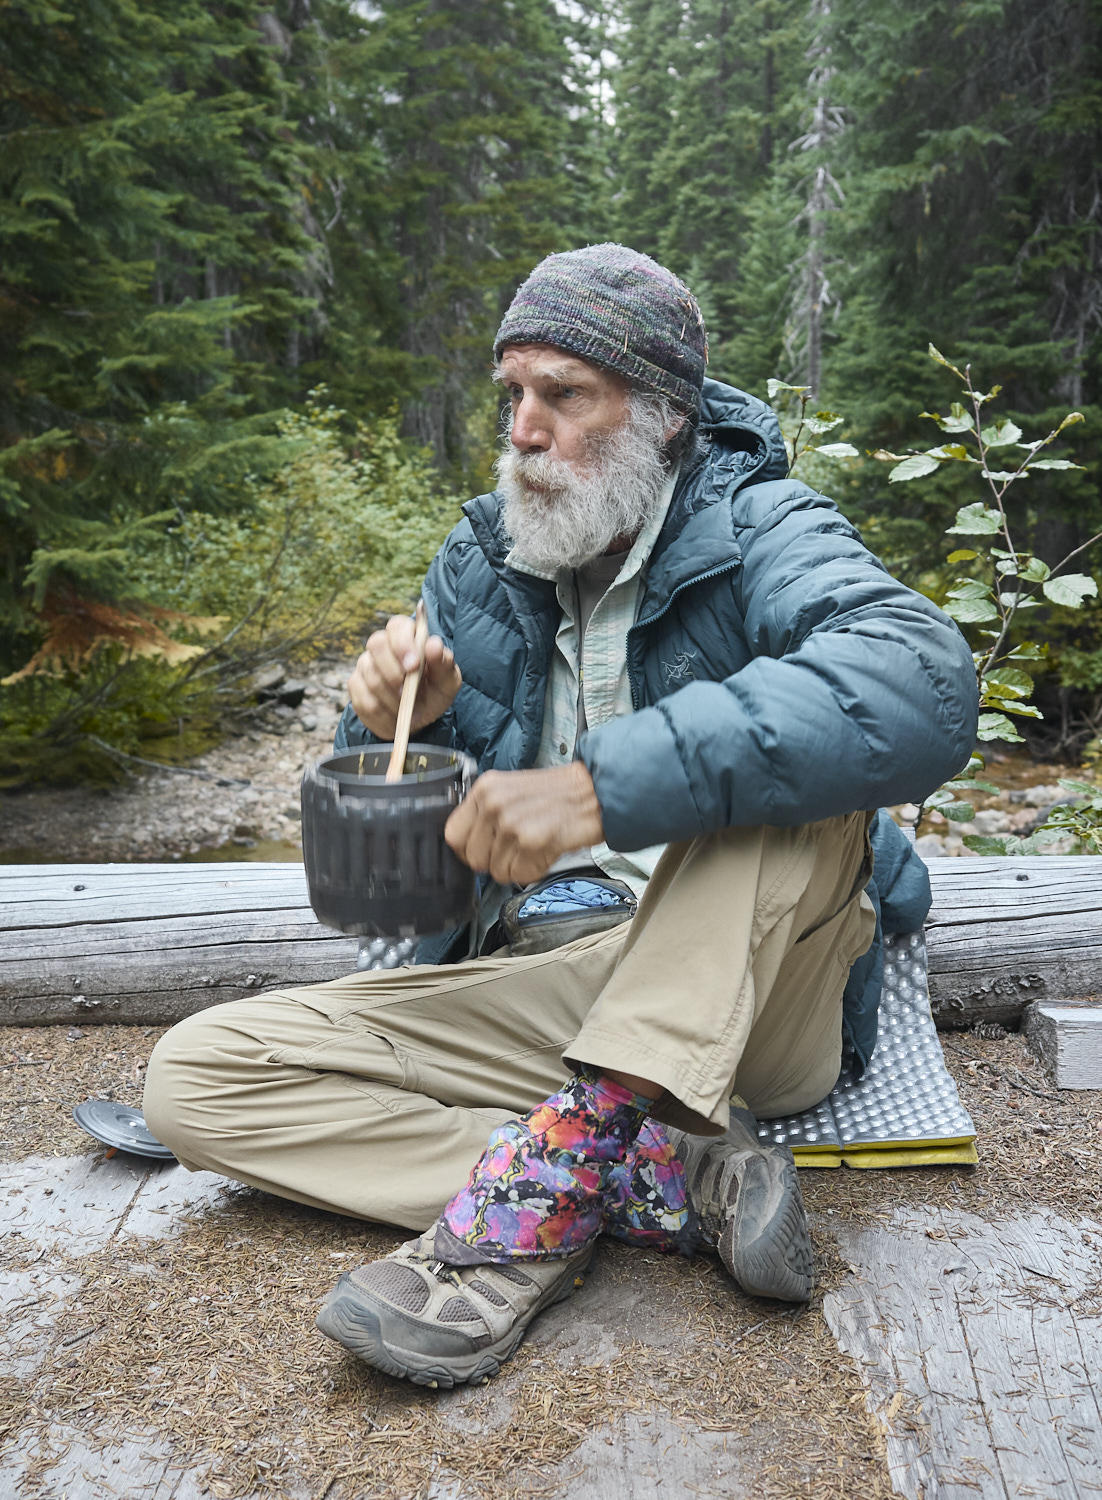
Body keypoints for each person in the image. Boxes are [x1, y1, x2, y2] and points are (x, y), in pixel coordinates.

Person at [144, 244, 975, 1391]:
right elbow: (404, 890)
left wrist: (601, 787)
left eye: (564, 395)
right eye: (512, 394)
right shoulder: (482, 558)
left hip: (753, 997)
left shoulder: (764, 523)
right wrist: (409, 732)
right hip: (549, 976)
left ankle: (524, 1217)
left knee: (783, 788)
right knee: (195, 1077)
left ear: (663, 413)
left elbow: (920, 682)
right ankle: (658, 1176)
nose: (523, 429)